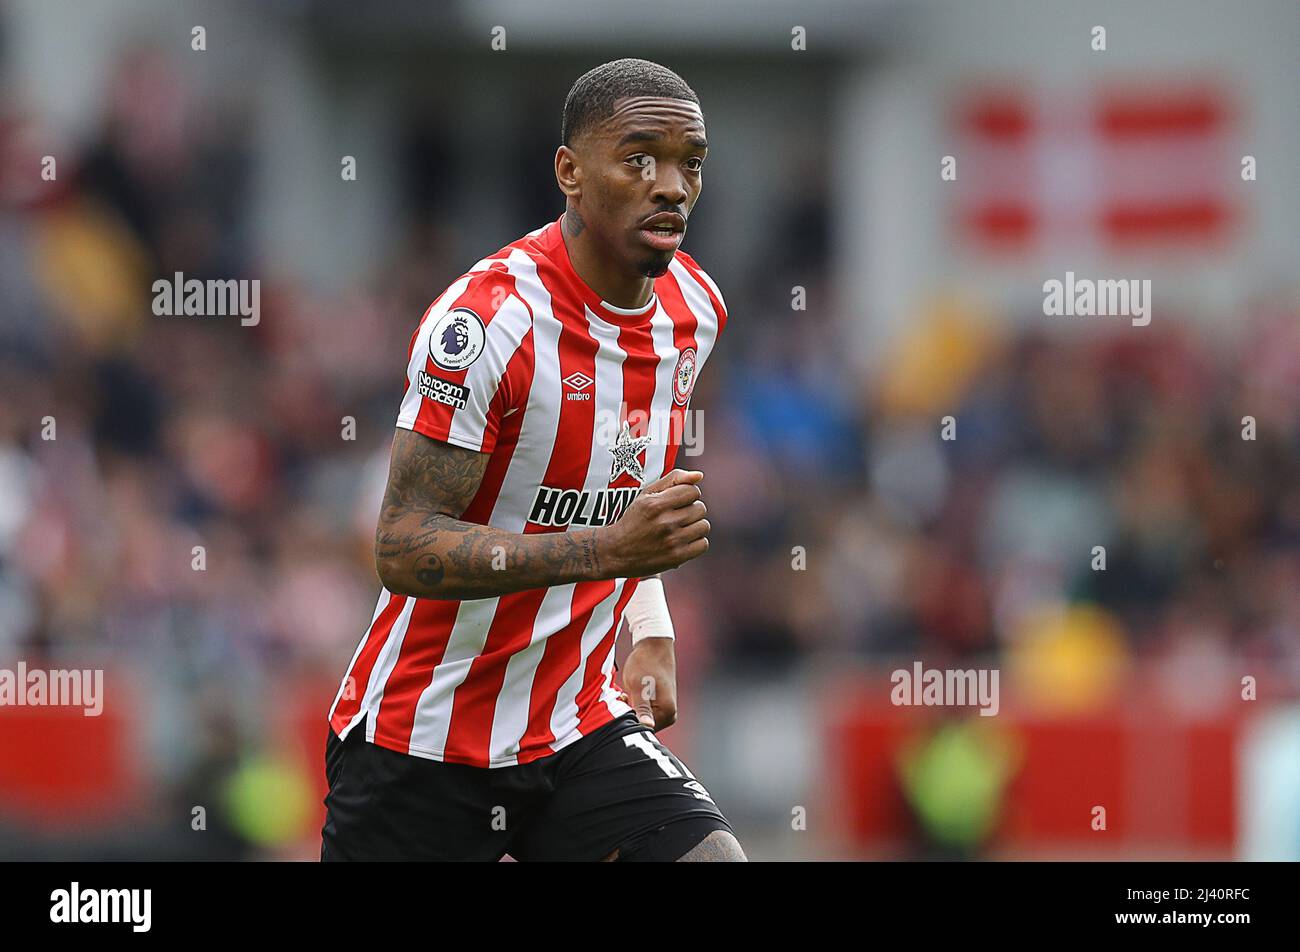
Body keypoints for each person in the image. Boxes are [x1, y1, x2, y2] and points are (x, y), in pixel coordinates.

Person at [321, 58, 744, 861]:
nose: (672, 185)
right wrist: (608, 552)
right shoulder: (487, 324)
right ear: (570, 173)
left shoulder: (695, 311)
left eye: (690, 161)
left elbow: (624, 487)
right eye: (639, 157)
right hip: (423, 741)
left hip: (574, 723)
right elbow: (403, 546)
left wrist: (649, 625)